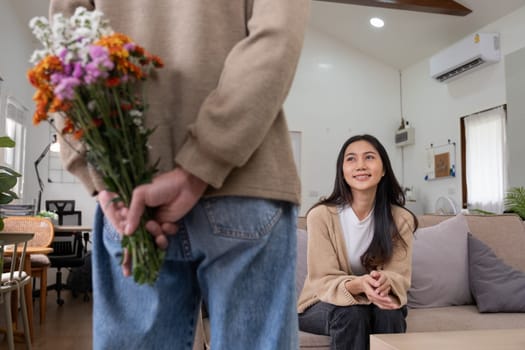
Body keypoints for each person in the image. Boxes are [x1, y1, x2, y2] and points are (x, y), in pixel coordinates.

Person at [49, 1, 310, 349]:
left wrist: (100, 179)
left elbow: (64, 54)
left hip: (131, 187)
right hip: (244, 180)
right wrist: (201, 163)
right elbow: (276, 37)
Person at [297, 134, 418, 350]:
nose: (360, 165)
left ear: (383, 170)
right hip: (321, 301)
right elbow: (323, 279)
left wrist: (384, 281)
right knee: (352, 312)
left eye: (369, 157)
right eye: (351, 159)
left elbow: (399, 275)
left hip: (376, 299)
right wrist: (360, 284)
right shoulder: (320, 215)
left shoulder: (401, 219)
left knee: (389, 313)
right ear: (342, 172)